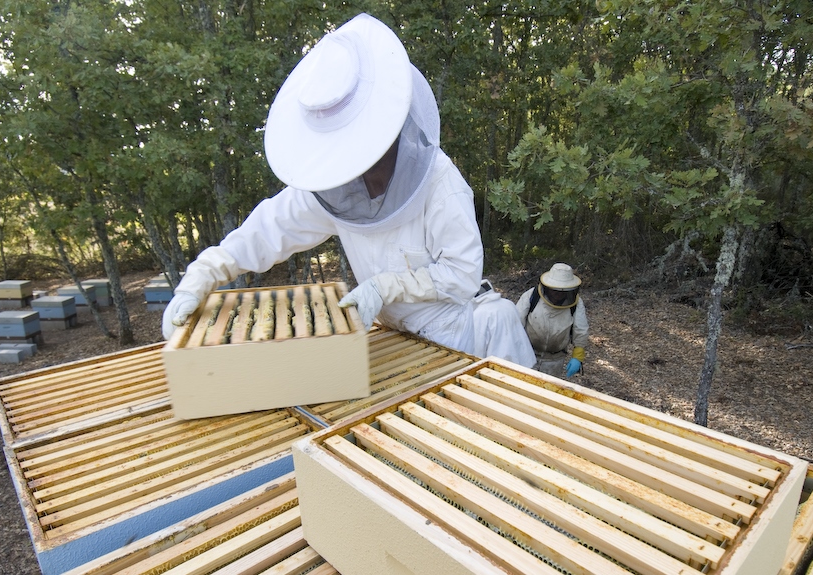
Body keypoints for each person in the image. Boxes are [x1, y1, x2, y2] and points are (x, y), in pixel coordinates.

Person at [161, 13, 482, 354]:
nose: (353, 165)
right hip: (386, 332)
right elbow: (269, 229)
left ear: (386, 128)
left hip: (442, 336)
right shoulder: (337, 185)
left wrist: (388, 287)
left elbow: (463, 275)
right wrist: (204, 274)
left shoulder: (441, 184)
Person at [516, 263, 589, 379]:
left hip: (555, 360)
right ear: (547, 287)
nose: (558, 294)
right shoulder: (531, 296)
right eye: (555, 290)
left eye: (562, 290)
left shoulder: (576, 304)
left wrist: (578, 356)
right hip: (527, 354)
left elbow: (581, 329)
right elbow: (516, 323)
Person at [472, 279, 537, 368]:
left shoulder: (479, 314)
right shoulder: (508, 303)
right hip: (525, 362)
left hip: (502, 368)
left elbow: (477, 351)